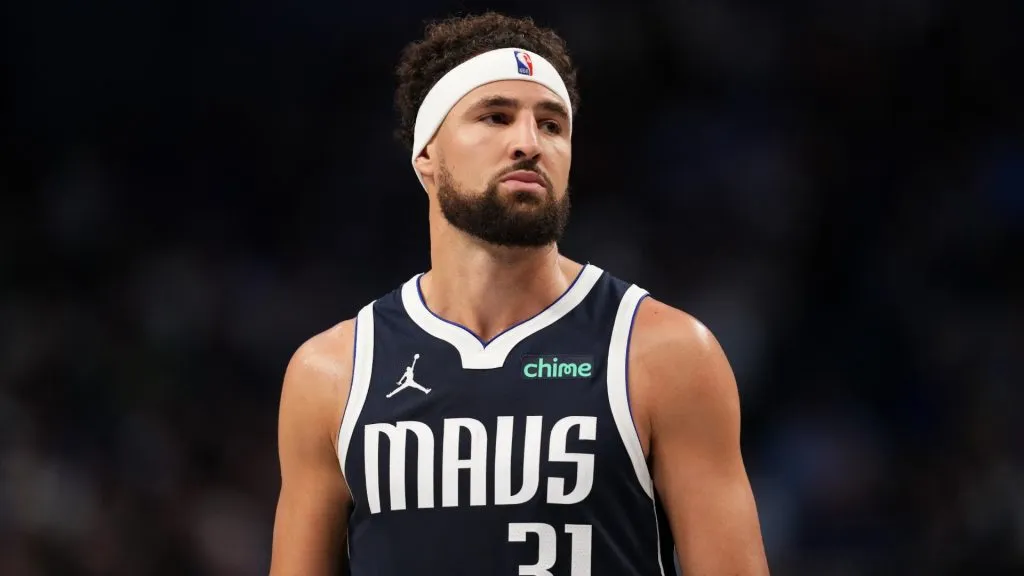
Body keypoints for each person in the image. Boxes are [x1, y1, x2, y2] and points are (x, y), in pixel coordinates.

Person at [269, 12, 770, 576]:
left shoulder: (665, 353)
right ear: (426, 155)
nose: (529, 143)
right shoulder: (333, 373)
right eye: (496, 116)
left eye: (553, 125)